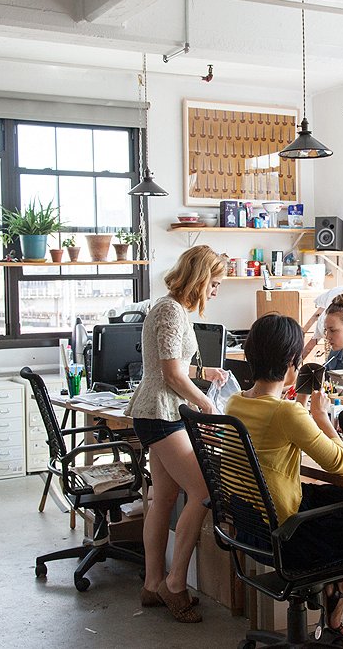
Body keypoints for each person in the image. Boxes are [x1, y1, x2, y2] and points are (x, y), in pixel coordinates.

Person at [227, 313, 343, 649]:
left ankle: (335, 617)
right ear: (293, 361)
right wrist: (320, 416)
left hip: (251, 525)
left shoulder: (235, 403)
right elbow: (339, 462)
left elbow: (277, 428)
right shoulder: (286, 413)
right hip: (289, 535)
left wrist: (303, 405)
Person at [125, 244, 228, 623]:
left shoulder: (173, 310)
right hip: (162, 414)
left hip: (159, 411)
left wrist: (204, 375)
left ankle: (153, 585)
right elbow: (169, 375)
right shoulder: (169, 311)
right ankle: (174, 584)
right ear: (199, 279)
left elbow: (174, 366)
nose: (216, 292)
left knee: (164, 497)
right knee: (202, 492)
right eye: (214, 283)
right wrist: (206, 403)